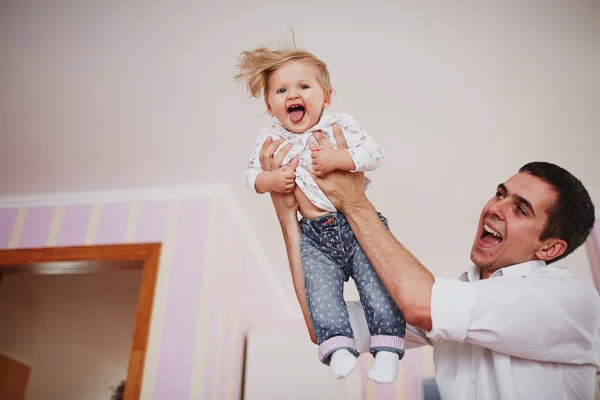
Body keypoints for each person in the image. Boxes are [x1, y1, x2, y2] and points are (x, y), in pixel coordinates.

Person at [258, 125, 600, 400]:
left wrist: (354, 203)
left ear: (550, 249)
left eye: (520, 208)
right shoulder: (460, 294)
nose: (496, 207)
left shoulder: (569, 300)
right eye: (500, 194)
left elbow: (422, 303)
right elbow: (322, 323)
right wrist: (288, 216)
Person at [234, 42, 405, 383]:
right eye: (281, 90)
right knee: (321, 295)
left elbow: (375, 153)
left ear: (326, 97)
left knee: (377, 287)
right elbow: (249, 176)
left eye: (303, 86)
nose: (292, 94)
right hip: (313, 235)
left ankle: (387, 350)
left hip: (356, 227)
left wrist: (339, 159)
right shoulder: (268, 138)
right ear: (270, 105)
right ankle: (338, 347)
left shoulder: (339, 124)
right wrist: (271, 180)